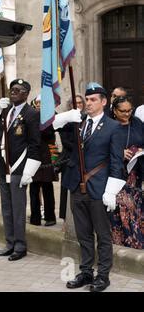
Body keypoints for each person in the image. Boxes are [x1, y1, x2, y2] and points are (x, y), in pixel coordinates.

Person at [53, 82, 125, 292]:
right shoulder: (78, 121)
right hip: (77, 185)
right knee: (83, 234)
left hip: (99, 188)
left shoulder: (113, 127)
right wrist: (66, 117)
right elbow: (47, 126)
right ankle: (86, 272)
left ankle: (103, 276)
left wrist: (111, 191)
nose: (89, 103)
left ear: (104, 102)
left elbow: (116, 162)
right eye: (88, 99)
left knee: (102, 235)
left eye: (94, 100)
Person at [0, 79, 41, 261]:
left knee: (18, 209)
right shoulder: (6, 110)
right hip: (3, 165)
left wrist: (29, 171)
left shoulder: (31, 114)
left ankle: (20, 246)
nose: (13, 92)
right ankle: (9, 243)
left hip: (19, 167)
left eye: (18, 90)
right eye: (12, 89)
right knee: (6, 208)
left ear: (26, 94)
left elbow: (35, 144)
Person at [109, 96, 144, 249]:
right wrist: (119, 152)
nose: (127, 114)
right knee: (120, 207)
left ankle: (135, 240)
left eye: (129, 110)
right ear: (114, 111)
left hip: (135, 173)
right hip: (116, 174)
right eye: (122, 111)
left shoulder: (137, 123)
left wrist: (141, 150)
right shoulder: (108, 125)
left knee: (134, 207)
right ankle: (120, 241)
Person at [29, 96, 57, 226]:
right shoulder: (30, 116)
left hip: (46, 154)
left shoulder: (51, 116)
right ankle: (35, 217)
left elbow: (49, 133)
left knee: (47, 187)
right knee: (34, 188)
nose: (39, 104)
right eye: (38, 102)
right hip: (33, 154)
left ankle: (50, 217)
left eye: (42, 102)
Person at [58, 94, 86, 220]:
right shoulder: (65, 120)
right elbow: (65, 142)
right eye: (75, 103)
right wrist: (80, 147)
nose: (78, 105)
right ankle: (65, 218)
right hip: (69, 157)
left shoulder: (86, 118)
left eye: (80, 103)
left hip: (84, 157)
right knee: (66, 188)